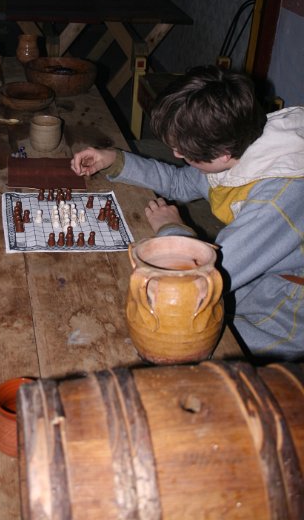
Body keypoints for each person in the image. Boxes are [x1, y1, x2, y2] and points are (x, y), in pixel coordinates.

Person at [71, 65, 304, 362]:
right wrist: (114, 159)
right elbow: (180, 183)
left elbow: (200, 280)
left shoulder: (275, 201)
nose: (177, 154)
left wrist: (173, 229)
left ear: (222, 154)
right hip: (257, 277)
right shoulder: (239, 139)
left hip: (289, 310)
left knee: (170, 346)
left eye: (184, 151)